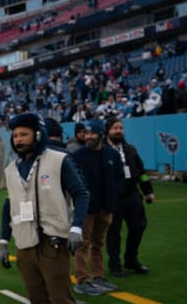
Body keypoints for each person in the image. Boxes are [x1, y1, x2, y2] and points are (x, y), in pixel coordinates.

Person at [0, 113, 88, 304]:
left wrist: (76, 227)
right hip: (24, 244)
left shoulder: (59, 160)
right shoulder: (10, 169)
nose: (18, 140)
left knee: (60, 298)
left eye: (24, 134)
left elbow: (80, 194)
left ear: (38, 135)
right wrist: (4, 241)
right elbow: (9, 206)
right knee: (36, 298)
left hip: (53, 242)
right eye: (15, 136)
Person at [71, 119, 124, 296]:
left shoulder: (112, 155)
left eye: (92, 133)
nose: (88, 137)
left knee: (98, 244)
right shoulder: (78, 156)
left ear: (101, 134)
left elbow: (119, 178)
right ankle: (82, 280)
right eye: (86, 134)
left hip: (106, 207)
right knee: (82, 244)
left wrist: (114, 194)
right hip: (86, 209)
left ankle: (98, 277)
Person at [104, 117, 155, 277]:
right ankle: (114, 265)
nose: (119, 131)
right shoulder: (102, 151)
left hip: (132, 195)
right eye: (115, 128)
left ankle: (131, 260)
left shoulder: (130, 149)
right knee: (114, 232)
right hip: (113, 198)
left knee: (139, 227)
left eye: (121, 128)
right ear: (108, 131)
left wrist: (148, 191)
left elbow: (142, 172)